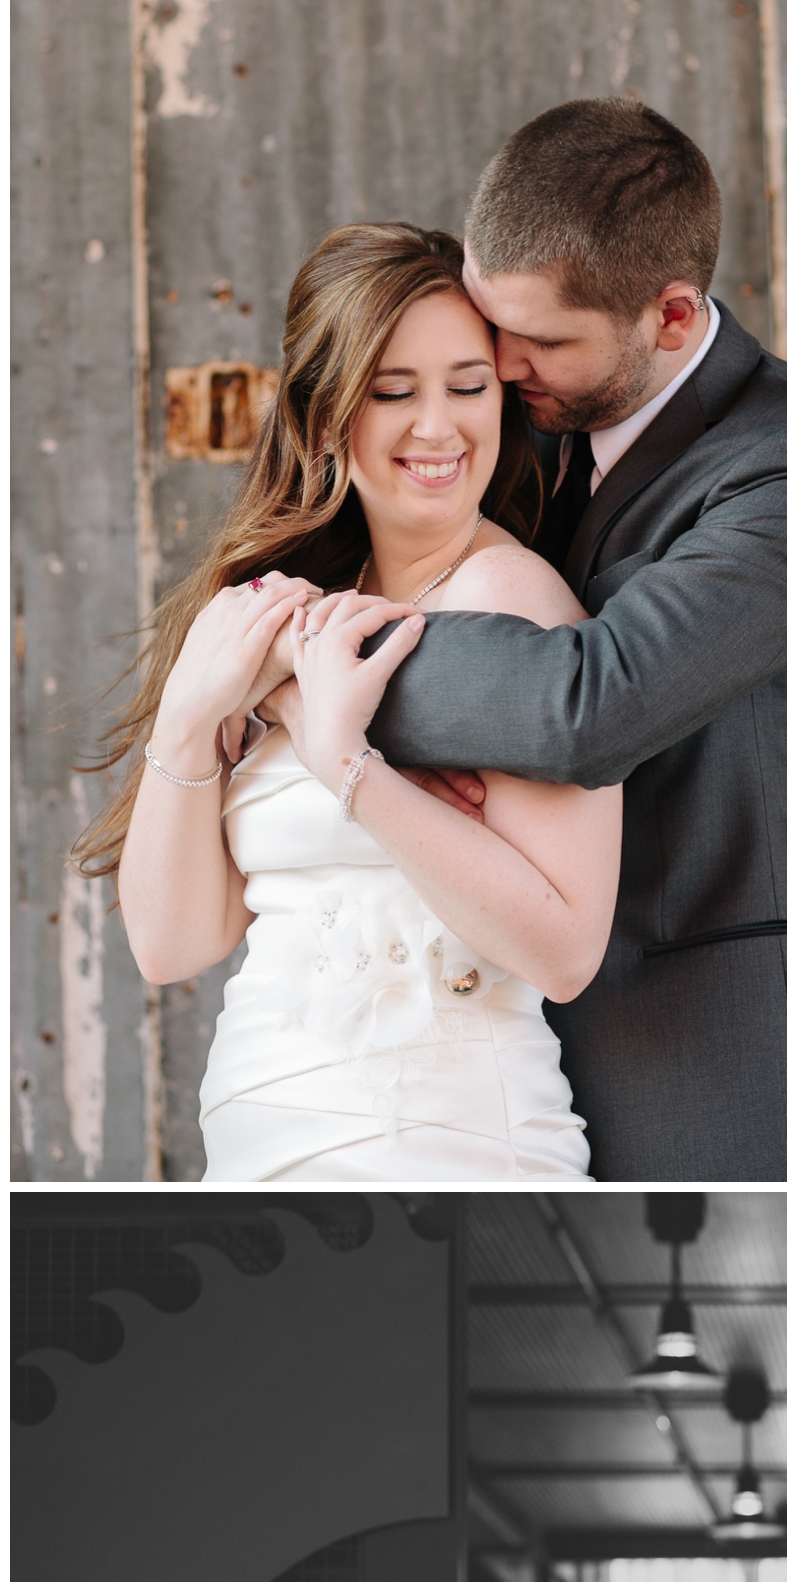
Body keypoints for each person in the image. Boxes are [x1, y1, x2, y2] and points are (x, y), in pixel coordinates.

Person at [272, 96, 787, 1181]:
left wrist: (295, 663)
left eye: (543, 339)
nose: (502, 367)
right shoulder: (531, 420)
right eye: (492, 324)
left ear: (669, 313)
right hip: (480, 1056)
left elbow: (584, 704)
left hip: (696, 1056)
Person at [85, 222, 615, 1179]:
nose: (439, 428)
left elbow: (566, 949)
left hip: (440, 1141)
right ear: (327, 415)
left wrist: (348, 766)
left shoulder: (514, 604)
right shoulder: (278, 615)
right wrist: (189, 713)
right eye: (393, 392)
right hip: (260, 1127)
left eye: (468, 385)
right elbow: (172, 944)